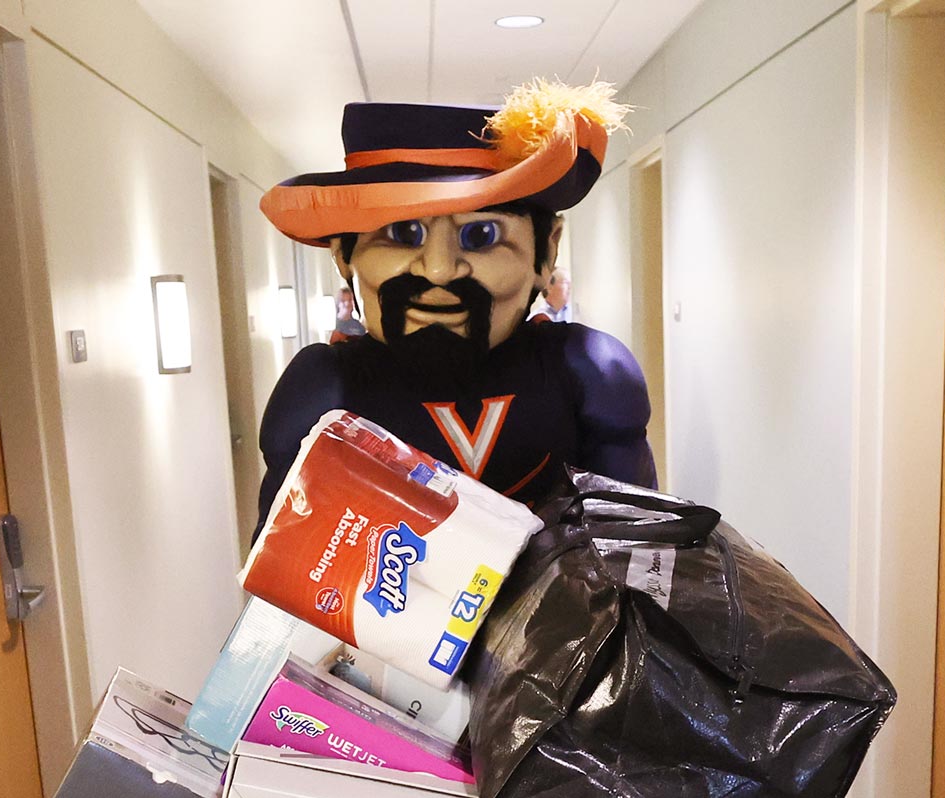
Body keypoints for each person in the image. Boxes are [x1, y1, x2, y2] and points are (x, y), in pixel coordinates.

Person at [255, 82, 654, 517]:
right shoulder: (322, 389)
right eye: (402, 234)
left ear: (546, 253)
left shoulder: (589, 371)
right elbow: (283, 563)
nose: (440, 269)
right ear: (343, 256)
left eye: (481, 235)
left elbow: (639, 551)